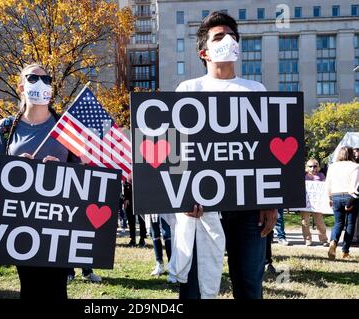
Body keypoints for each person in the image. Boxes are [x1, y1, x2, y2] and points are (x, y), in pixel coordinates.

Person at [170, 11, 277, 299]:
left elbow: (266, 153)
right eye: (219, 37)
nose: (228, 41)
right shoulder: (187, 90)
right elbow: (174, 150)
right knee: (193, 289)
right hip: (200, 207)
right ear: (204, 51)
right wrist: (180, 197)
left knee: (250, 287)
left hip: (248, 209)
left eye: (233, 37)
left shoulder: (256, 91)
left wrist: (270, 202)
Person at [0, 63, 78, 299]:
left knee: (57, 290)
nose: (41, 83)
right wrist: (14, 170)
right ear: (20, 87)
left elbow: (82, 174)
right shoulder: (7, 128)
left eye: (47, 79)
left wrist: (62, 170)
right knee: (29, 288)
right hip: (21, 221)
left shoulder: (66, 127)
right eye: (33, 78)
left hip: (58, 220)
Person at [325, 146, 359, 259]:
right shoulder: (355, 166)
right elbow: (354, 186)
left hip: (335, 196)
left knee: (338, 222)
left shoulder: (333, 166)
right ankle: (345, 251)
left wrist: (329, 197)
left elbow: (328, 183)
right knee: (350, 224)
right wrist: (351, 200)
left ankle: (333, 242)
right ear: (351, 154)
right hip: (350, 196)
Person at [301, 159, 329, 247]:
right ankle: (307, 239)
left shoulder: (321, 176)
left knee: (319, 221)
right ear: (307, 167)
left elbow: (325, 187)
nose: (313, 168)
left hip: (317, 203)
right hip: (305, 203)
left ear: (318, 167)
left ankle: (324, 239)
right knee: (305, 221)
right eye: (310, 166)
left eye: (315, 166)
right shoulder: (303, 175)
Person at [123, 175, 147, 247]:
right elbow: (125, 185)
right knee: (131, 221)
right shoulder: (128, 173)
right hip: (130, 200)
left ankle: (142, 239)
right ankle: (132, 239)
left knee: (142, 221)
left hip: (141, 199)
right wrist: (126, 198)